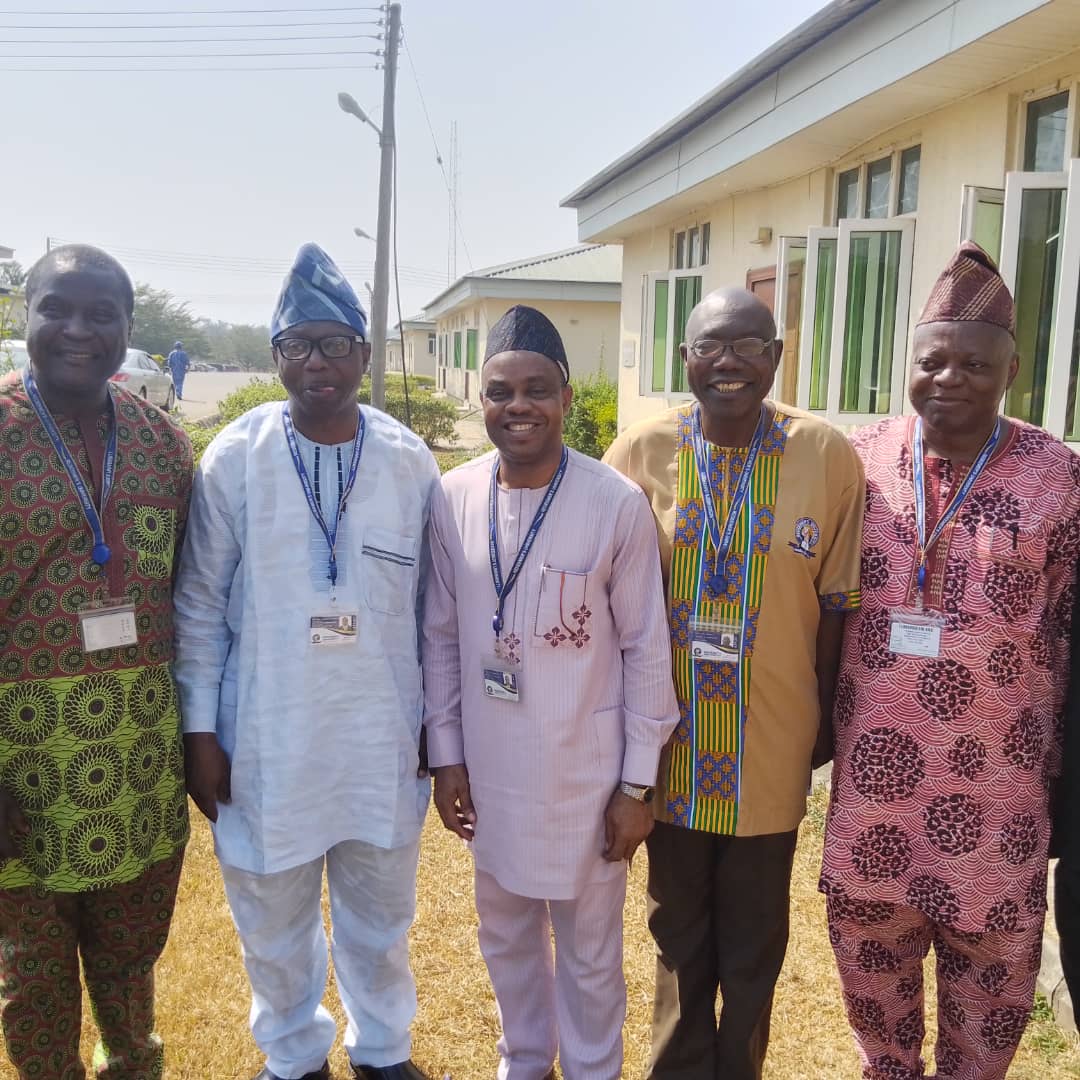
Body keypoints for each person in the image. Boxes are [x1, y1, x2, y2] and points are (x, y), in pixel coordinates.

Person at [173, 244, 436, 1080]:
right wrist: (201, 734)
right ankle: (292, 1055)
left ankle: (383, 1048)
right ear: (276, 355)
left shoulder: (408, 460)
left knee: (380, 915)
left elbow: (434, 612)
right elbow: (198, 605)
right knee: (270, 913)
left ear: (365, 353)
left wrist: (436, 727)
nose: (316, 362)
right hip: (266, 735)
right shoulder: (235, 457)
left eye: (334, 344)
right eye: (297, 346)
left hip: (379, 736)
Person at [821, 241, 1080, 1080]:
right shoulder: (856, 462)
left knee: (986, 1031)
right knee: (879, 1028)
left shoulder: (1060, 479)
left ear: (1012, 371)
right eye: (932, 361)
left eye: (974, 363)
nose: (949, 379)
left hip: (999, 806)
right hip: (873, 806)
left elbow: (1069, 633)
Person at [603, 287, 865, 1080]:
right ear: (684, 358)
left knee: (755, 938)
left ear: (776, 357)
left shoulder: (825, 455)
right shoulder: (640, 451)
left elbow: (836, 605)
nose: (730, 362)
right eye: (710, 346)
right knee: (676, 929)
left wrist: (823, 720)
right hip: (670, 741)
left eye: (750, 345)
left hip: (771, 740)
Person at [422, 305, 679, 1080]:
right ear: (481, 401)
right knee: (504, 935)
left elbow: (646, 651)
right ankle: (526, 1060)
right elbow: (440, 636)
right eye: (501, 392)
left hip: (585, 776)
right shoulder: (453, 496)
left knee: (591, 951)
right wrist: (446, 757)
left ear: (566, 397)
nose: (519, 406)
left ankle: (595, 1070)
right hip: (491, 769)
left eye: (537, 389)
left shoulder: (614, 503)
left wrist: (636, 785)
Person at [0, 244, 192, 1079]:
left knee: (131, 956)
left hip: (140, 759)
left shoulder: (164, 445)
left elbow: (192, 598)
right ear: (26, 316)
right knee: (32, 973)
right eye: (57, 309)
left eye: (101, 313)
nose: (78, 329)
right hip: (23, 766)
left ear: (127, 326)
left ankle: (133, 1064)